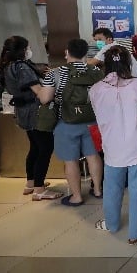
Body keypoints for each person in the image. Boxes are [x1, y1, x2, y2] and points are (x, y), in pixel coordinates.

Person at [89, 46, 137, 244]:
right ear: (128, 62)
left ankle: (112, 223)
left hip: (112, 146)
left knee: (112, 188)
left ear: (105, 64)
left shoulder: (96, 89)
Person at [39, 39, 104, 206]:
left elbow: (45, 98)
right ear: (85, 53)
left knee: (71, 160)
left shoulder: (56, 73)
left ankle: (76, 196)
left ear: (67, 52)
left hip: (66, 122)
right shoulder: (95, 71)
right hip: (92, 121)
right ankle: (97, 190)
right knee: (93, 155)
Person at [0, 36, 61, 198]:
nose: (30, 50)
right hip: (35, 112)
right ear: (21, 50)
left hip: (22, 112)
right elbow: (40, 93)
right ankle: (39, 190)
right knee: (45, 148)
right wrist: (53, 90)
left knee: (35, 147)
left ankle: (31, 183)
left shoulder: (9, 66)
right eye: (28, 47)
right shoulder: (22, 68)